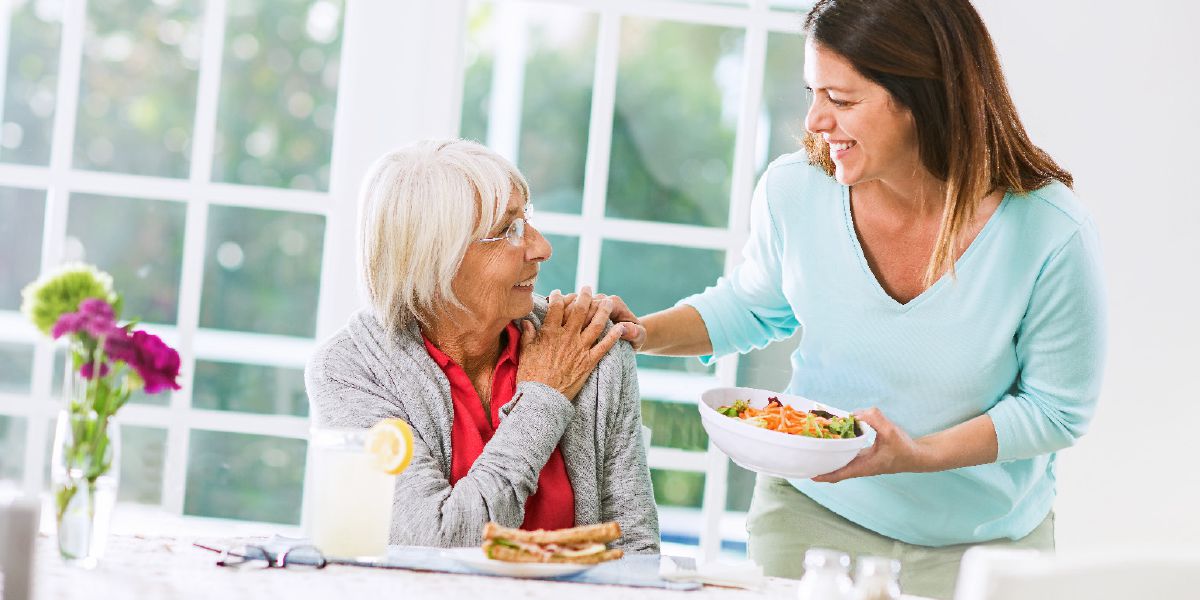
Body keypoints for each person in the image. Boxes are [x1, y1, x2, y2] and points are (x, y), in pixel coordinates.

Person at [601, 0, 1106, 596]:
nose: (815, 119)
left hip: (985, 548)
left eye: (841, 100)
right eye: (813, 91)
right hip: (811, 523)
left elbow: (1055, 409)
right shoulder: (795, 190)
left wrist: (915, 455)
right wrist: (642, 331)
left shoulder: (1048, 230)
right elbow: (753, 304)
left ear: (926, 98)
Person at [305, 139, 659, 553]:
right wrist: (543, 399)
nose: (542, 247)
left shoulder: (587, 347)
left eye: (527, 218)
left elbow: (635, 552)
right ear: (436, 260)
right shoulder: (351, 369)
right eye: (508, 230)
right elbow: (436, 544)